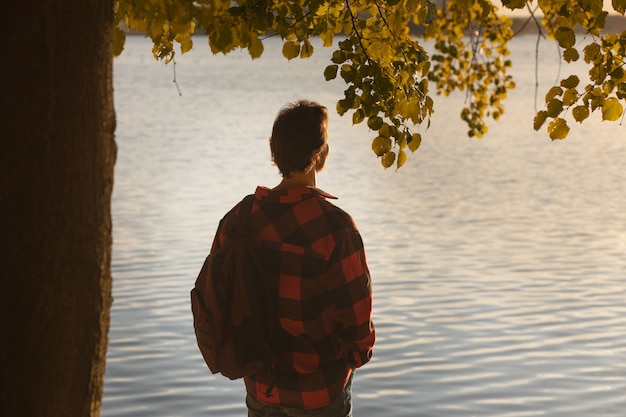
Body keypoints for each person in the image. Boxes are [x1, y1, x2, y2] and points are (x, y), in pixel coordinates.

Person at [208, 99, 375, 417]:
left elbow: (218, 300)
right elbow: (357, 327)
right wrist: (353, 359)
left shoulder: (239, 219)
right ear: (321, 153)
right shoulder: (335, 228)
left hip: (262, 389)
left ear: (274, 150)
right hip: (320, 392)